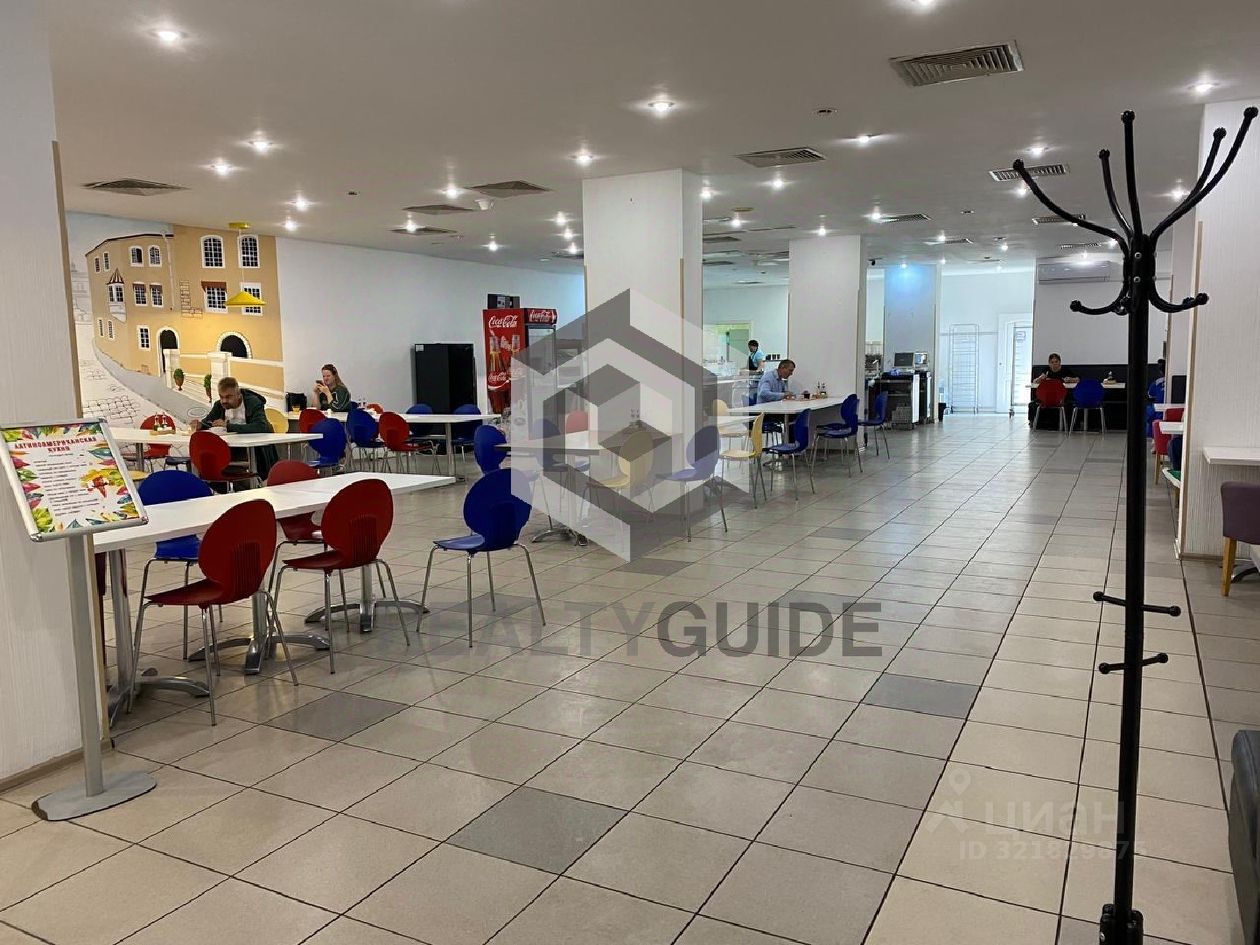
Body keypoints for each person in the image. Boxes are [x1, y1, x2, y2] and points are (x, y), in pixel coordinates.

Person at [191, 376, 277, 480]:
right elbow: (208, 422)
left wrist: (228, 426)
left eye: (228, 397)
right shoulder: (219, 405)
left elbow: (261, 426)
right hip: (228, 449)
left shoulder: (253, 402)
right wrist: (200, 425)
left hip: (255, 450)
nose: (224, 401)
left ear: (239, 395)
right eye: (221, 397)